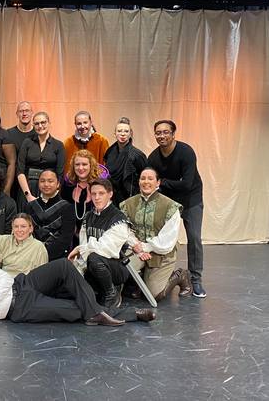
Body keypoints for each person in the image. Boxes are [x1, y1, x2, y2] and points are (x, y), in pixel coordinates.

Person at [0, 243, 125, 326]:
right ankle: (129, 314)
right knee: (76, 308)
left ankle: (94, 313)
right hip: (19, 307)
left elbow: (5, 279)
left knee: (63, 265)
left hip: (22, 283)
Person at [148, 120, 206, 298]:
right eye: (158, 132)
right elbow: (152, 182)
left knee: (194, 238)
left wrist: (163, 182)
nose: (162, 136)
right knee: (159, 238)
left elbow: (187, 184)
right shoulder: (153, 158)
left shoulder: (186, 152)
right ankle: (158, 277)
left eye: (166, 132)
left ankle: (195, 279)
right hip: (168, 201)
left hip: (191, 199)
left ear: (173, 134)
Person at [120, 168, 192, 301]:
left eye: (150, 178)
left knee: (154, 295)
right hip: (136, 249)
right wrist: (136, 246)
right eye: (143, 178)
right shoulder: (127, 204)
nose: (146, 182)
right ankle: (141, 279)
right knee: (120, 270)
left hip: (161, 252)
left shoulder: (170, 207)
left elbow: (167, 241)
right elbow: (124, 230)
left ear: (158, 183)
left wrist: (144, 247)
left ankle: (180, 275)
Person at [68, 179, 129, 309]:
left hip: (116, 267)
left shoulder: (119, 218)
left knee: (94, 258)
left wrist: (80, 249)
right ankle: (99, 289)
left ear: (110, 194)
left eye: (101, 193)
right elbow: (84, 244)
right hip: (93, 267)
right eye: (94, 194)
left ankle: (111, 293)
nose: (97, 197)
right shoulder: (88, 216)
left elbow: (106, 249)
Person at [16, 111, 65, 210]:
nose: (40, 126)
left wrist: (52, 196)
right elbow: (20, 171)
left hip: (49, 189)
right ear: (33, 125)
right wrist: (28, 195)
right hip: (28, 188)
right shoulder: (27, 142)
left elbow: (60, 174)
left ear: (49, 123)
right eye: (37, 123)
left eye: (43, 122)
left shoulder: (58, 145)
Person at [25, 170, 74, 261]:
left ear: (58, 184)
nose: (46, 184)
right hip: (31, 255)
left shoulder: (67, 207)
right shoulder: (30, 206)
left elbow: (65, 237)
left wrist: (44, 254)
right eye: (42, 181)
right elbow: (25, 232)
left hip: (56, 257)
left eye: (50, 181)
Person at [104, 117, 148, 207]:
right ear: (115, 134)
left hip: (130, 196)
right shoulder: (109, 152)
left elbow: (145, 176)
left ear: (130, 134)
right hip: (112, 195)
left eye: (126, 131)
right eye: (119, 131)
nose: (123, 134)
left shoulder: (137, 155)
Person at [60, 149, 101, 246]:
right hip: (70, 239)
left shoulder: (100, 185)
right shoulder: (67, 185)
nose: (80, 168)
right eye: (77, 164)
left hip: (95, 240)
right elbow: (62, 211)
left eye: (84, 164)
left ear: (91, 165)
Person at [63, 111, 109, 177]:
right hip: (75, 181)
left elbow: (105, 165)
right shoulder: (68, 142)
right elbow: (66, 167)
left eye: (85, 122)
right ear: (75, 124)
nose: (82, 126)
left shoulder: (101, 141)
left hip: (96, 180)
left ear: (91, 123)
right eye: (79, 123)